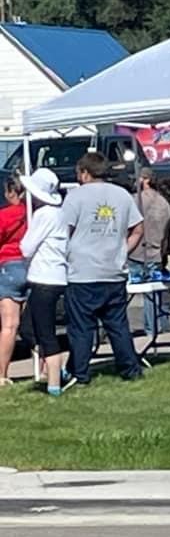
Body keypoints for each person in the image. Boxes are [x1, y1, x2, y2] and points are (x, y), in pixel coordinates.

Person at [61, 151, 144, 386]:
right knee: (117, 325)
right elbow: (138, 228)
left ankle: (80, 373)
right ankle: (130, 369)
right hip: (113, 270)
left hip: (82, 271)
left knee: (81, 328)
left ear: (85, 173)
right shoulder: (122, 195)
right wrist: (122, 251)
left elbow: (63, 231)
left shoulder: (75, 197)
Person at [19, 168, 68, 397]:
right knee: (30, 328)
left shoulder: (43, 215)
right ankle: (56, 369)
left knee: (44, 332)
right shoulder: (60, 213)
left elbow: (26, 247)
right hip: (56, 276)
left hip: (44, 278)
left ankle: (55, 383)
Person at [128, 167, 170, 335]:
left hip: (135, 253)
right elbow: (166, 233)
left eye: (137, 178)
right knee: (153, 296)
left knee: (122, 297)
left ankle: (142, 331)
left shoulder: (135, 201)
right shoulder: (164, 203)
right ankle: (156, 329)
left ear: (145, 179)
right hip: (155, 253)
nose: (134, 181)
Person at [0, 175, 27, 385]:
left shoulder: (5, 215)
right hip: (32, 266)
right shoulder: (34, 213)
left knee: (9, 326)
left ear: (10, 193)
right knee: (37, 324)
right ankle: (45, 368)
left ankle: (2, 374)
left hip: (8, 265)